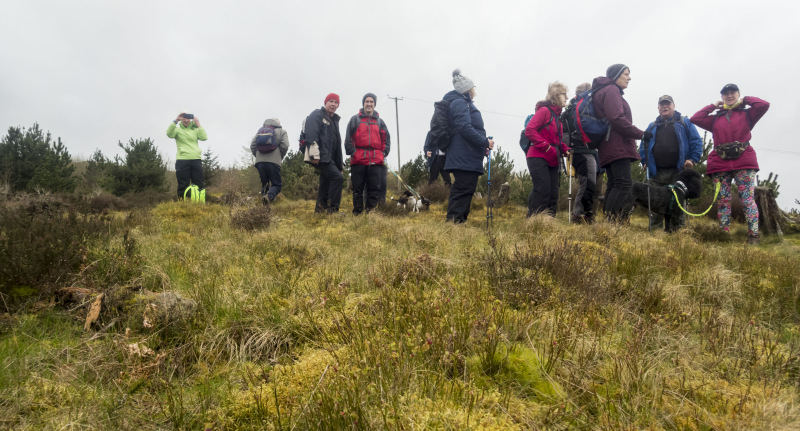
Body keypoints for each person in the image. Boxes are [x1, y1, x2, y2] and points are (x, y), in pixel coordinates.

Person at [690, 84, 770, 244]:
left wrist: (745, 101)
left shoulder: (748, 114)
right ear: (722, 98)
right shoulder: (715, 119)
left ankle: (753, 235)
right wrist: (713, 106)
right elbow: (695, 118)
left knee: (747, 199)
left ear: (738, 94)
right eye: (725, 94)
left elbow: (764, 105)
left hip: (744, 163)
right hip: (720, 165)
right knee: (723, 200)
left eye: (732, 92)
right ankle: (723, 236)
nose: (729, 95)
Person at [639, 95, 703, 231]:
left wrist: (692, 160)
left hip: (678, 171)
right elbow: (643, 145)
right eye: (662, 105)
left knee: (678, 202)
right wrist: (644, 161)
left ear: (674, 106)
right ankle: (655, 231)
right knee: (655, 200)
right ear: (658, 108)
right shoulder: (652, 126)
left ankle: (678, 231)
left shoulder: (684, 122)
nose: (665, 106)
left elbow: (696, 142)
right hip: (656, 172)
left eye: (668, 104)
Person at [592, 64, 645, 223]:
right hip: (616, 145)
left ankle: (607, 223)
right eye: (626, 74)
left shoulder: (604, 90)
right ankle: (611, 223)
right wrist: (641, 134)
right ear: (616, 75)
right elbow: (616, 118)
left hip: (607, 144)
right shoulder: (612, 90)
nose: (629, 78)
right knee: (623, 184)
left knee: (614, 184)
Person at [443, 69, 494, 223]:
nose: (474, 91)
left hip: (468, 155)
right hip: (463, 155)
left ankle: (459, 222)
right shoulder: (460, 102)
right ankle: (454, 223)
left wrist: (481, 144)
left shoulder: (463, 103)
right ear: (467, 89)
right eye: (473, 88)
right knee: (462, 189)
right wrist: (484, 142)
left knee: (466, 189)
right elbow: (464, 127)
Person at [524, 82, 571, 217]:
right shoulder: (544, 111)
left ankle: (549, 224)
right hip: (538, 157)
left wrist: (565, 149)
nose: (567, 97)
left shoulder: (557, 117)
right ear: (556, 95)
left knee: (553, 193)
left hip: (553, 158)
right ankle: (536, 223)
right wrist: (547, 147)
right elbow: (530, 130)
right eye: (564, 94)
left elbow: (557, 140)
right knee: (543, 190)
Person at [345, 93, 391, 214]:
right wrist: (352, 153)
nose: (369, 104)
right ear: (363, 104)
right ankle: (358, 213)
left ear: (374, 104)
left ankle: (370, 213)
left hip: (376, 160)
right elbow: (348, 138)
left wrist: (382, 153)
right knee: (357, 189)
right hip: (358, 160)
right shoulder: (355, 119)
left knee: (374, 189)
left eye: (371, 102)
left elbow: (386, 139)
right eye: (367, 102)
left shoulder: (380, 122)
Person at [304, 93, 344, 214]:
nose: (333, 104)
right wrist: (315, 155)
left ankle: (319, 210)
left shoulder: (334, 120)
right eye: (331, 101)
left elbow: (337, 145)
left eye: (336, 102)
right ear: (325, 103)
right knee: (337, 178)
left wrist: (339, 165)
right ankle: (332, 210)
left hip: (331, 158)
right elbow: (311, 134)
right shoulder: (317, 114)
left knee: (326, 182)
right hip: (321, 156)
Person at [566, 82, 599, 223]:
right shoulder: (582, 108)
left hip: (576, 151)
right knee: (588, 182)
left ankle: (582, 214)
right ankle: (580, 215)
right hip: (584, 151)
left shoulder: (570, 108)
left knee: (585, 182)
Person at [167, 112, 207, 200]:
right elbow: (169, 134)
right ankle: (183, 205)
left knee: (199, 183)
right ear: (181, 119)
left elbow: (204, 137)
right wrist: (176, 120)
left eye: (188, 118)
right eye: (183, 118)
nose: (186, 120)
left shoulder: (195, 130)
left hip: (196, 159)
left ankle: (200, 204)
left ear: (191, 119)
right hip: (182, 160)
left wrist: (198, 124)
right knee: (183, 184)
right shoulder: (177, 130)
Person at [250, 118, 290, 204]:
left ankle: (264, 208)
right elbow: (285, 145)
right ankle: (268, 197)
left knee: (265, 184)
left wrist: (258, 156)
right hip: (274, 161)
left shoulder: (260, 131)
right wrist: (279, 156)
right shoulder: (282, 131)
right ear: (278, 123)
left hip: (259, 162)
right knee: (277, 185)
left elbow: (252, 145)